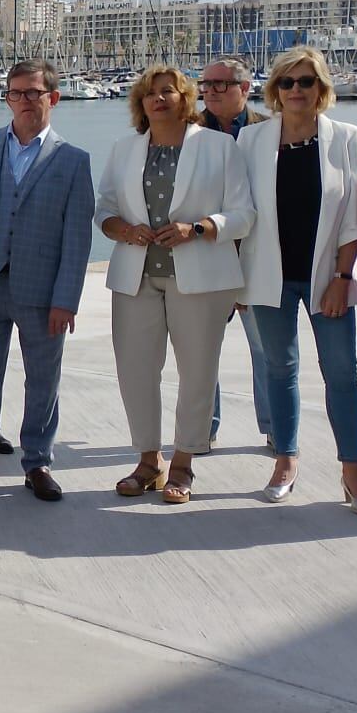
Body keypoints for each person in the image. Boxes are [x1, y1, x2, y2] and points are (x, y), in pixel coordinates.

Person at [96, 66, 254, 504]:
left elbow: (243, 214)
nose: (158, 98)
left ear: (185, 97)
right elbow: (104, 209)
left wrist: (199, 228)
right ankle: (149, 462)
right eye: (149, 93)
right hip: (136, 275)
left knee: (197, 372)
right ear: (140, 103)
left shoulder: (220, 147)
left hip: (201, 276)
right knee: (135, 372)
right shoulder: (124, 148)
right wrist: (125, 230)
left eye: (168, 91)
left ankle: (183, 464)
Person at [0, 59, 94, 502]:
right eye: (16, 93)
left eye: (34, 93)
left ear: (53, 98)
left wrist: (67, 299)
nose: (25, 101)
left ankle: (38, 461)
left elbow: (77, 238)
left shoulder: (72, 161)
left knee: (43, 379)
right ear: (6, 97)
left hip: (42, 293)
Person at [237, 47, 357, 513]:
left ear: (321, 88)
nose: (296, 90)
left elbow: (356, 218)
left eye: (306, 81)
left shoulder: (348, 138)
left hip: (326, 278)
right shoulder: (251, 141)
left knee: (342, 375)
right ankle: (285, 460)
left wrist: (342, 276)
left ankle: (353, 469)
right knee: (280, 370)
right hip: (269, 279)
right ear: (275, 90)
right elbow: (242, 214)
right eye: (287, 83)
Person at [198, 56, 271, 447]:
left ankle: (276, 429)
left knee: (266, 350)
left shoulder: (270, 131)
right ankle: (202, 429)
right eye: (205, 84)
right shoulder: (190, 131)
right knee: (203, 351)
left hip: (258, 258)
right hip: (207, 255)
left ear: (245, 89)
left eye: (220, 84)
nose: (209, 91)